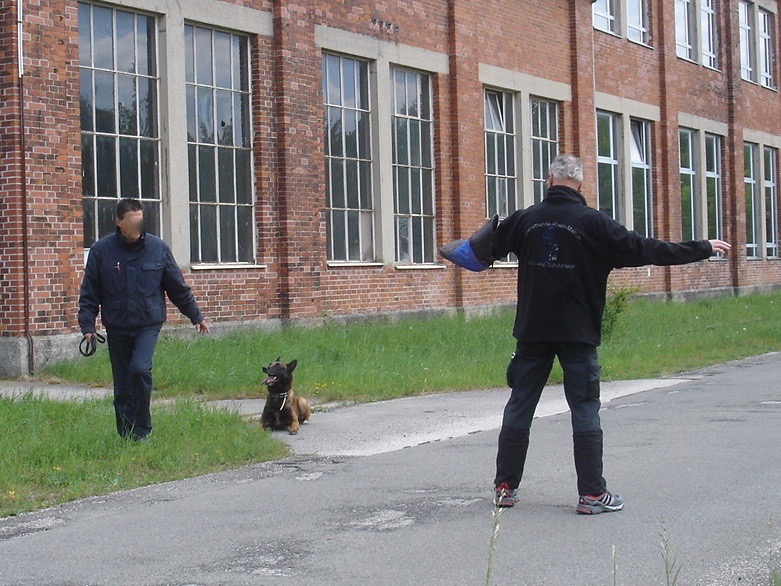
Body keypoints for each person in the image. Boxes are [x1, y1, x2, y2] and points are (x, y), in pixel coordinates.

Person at [489, 154, 731, 514]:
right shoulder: (594, 223)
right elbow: (648, 249)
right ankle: (591, 495)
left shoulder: (526, 220)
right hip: (578, 334)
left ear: (549, 179)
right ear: (581, 183)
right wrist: (701, 248)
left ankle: (505, 488)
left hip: (532, 333)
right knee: (584, 408)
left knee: (520, 406)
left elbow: (481, 248)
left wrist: (455, 250)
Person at [78, 198, 209, 441]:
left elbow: (177, 287)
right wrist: (87, 325)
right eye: (133, 220)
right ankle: (127, 435)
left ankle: (142, 429)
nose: (139, 224)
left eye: (141, 219)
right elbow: (90, 292)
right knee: (123, 381)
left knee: (139, 370)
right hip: (117, 325)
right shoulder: (101, 251)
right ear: (119, 223)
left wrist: (195, 315)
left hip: (148, 323)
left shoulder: (157, 248)